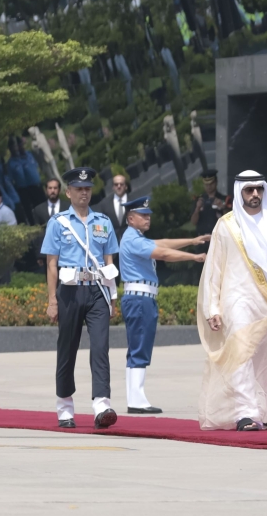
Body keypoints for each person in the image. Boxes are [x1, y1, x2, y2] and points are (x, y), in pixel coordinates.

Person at [197, 169, 267, 431]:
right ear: (239, 192)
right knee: (241, 354)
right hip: (236, 299)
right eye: (249, 189)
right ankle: (245, 413)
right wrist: (212, 308)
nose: (255, 194)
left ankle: (258, 412)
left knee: (265, 358)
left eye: (259, 189)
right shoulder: (226, 225)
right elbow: (214, 269)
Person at [40, 166, 121, 431]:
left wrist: (112, 296)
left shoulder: (103, 222)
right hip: (70, 291)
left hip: (97, 290)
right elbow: (51, 264)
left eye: (87, 189)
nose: (83, 193)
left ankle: (102, 405)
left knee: (100, 347)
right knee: (67, 348)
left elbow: (109, 262)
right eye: (78, 189)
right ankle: (65, 407)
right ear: (68, 192)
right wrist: (52, 300)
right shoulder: (58, 223)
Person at [118, 195, 209, 414]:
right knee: (140, 347)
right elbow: (164, 254)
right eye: (142, 215)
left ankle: (135, 397)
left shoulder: (135, 237)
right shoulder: (133, 239)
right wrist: (194, 257)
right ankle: (136, 400)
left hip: (140, 298)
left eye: (148, 215)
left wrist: (192, 241)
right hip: (140, 298)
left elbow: (164, 243)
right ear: (130, 219)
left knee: (138, 347)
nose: (147, 218)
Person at [189, 173, 224, 237]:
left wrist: (222, 208)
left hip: (218, 237)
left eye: (211, 184)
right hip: (202, 238)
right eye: (206, 184)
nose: (209, 186)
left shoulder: (223, 199)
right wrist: (197, 209)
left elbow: (230, 221)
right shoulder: (199, 200)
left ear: (216, 182)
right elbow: (193, 222)